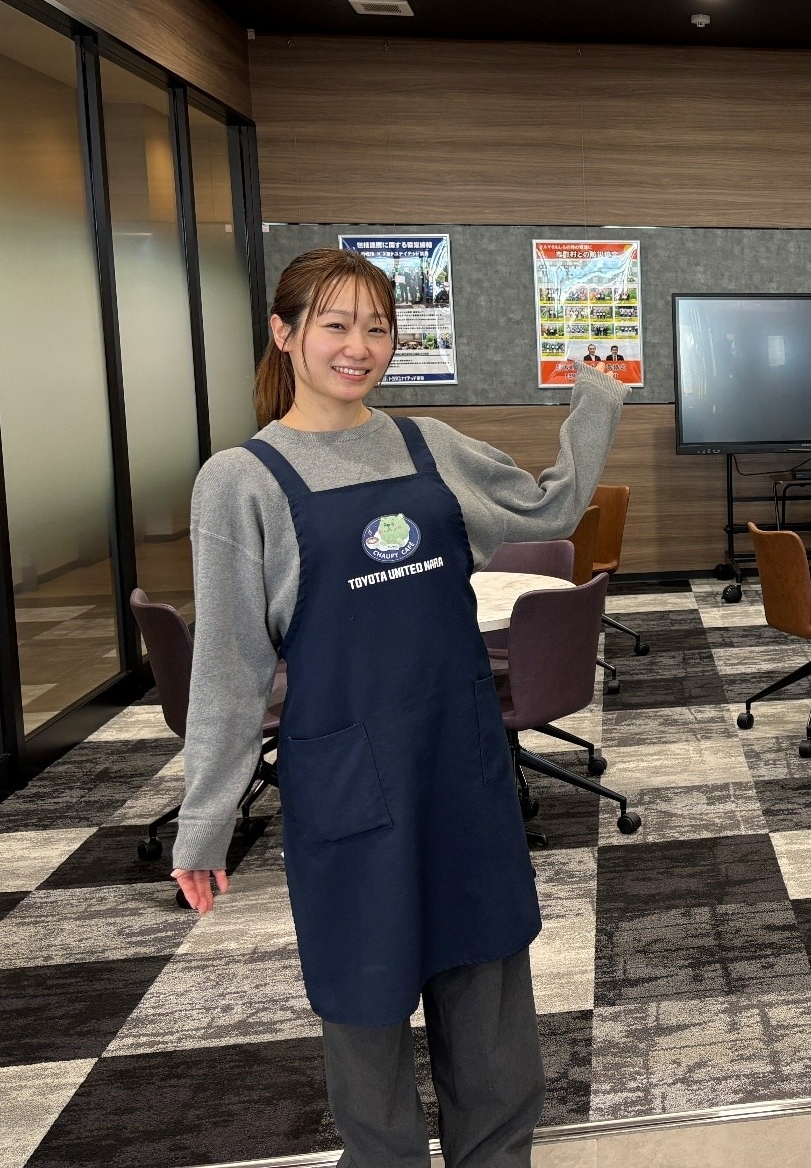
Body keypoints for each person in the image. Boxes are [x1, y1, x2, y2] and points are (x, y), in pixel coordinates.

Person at [172, 248, 626, 1167]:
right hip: (348, 780)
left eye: (377, 327)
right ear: (284, 334)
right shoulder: (241, 479)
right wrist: (204, 822)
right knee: (365, 993)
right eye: (335, 324)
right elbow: (227, 667)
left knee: (489, 994)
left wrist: (596, 398)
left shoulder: (427, 446)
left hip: (459, 764)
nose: (358, 346)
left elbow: (548, 511)